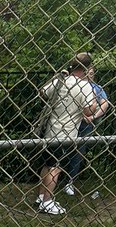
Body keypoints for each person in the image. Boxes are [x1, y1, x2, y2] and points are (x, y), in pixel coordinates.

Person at [35, 53, 96, 216]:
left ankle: (41, 197)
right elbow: (89, 111)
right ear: (86, 69)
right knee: (56, 167)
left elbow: (42, 93)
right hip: (66, 132)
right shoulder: (85, 86)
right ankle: (47, 202)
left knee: (47, 164)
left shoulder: (60, 80)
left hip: (50, 129)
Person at [63, 67, 110, 197]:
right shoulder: (73, 84)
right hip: (69, 122)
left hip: (85, 125)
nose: (90, 75)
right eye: (87, 73)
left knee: (78, 152)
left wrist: (92, 117)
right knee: (61, 148)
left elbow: (105, 104)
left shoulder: (97, 88)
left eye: (92, 73)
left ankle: (69, 182)